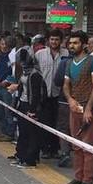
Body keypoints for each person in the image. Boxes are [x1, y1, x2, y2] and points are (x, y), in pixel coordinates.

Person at [62, 31, 93, 184]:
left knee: (88, 146)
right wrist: (70, 100)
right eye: (70, 43)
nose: (72, 46)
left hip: (88, 108)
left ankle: (88, 181)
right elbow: (66, 85)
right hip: (74, 107)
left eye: (76, 43)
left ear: (84, 44)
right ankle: (78, 177)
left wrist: (88, 109)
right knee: (76, 144)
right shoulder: (69, 63)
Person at [36, 29, 69, 159]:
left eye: (56, 39)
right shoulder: (39, 54)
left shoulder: (66, 55)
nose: (54, 42)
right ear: (48, 41)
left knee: (58, 123)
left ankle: (55, 149)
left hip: (60, 95)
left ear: (61, 41)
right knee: (44, 122)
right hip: (44, 95)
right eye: (52, 39)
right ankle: (45, 149)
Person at [10, 49, 46, 168]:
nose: (21, 63)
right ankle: (20, 155)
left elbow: (35, 94)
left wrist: (32, 110)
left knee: (31, 133)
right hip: (23, 104)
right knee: (23, 131)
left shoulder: (35, 74)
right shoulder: (25, 72)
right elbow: (21, 88)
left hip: (31, 107)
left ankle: (30, 159)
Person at [0, 37, 16, 141]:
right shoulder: (0, 57)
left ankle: (9, 133)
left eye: (5, 44)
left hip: (7, 88)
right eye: (2, 44)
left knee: (8, 112)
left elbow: (14, 72)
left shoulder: (12, 57)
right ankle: (3, 131)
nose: (4, 46)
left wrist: (8, 80)